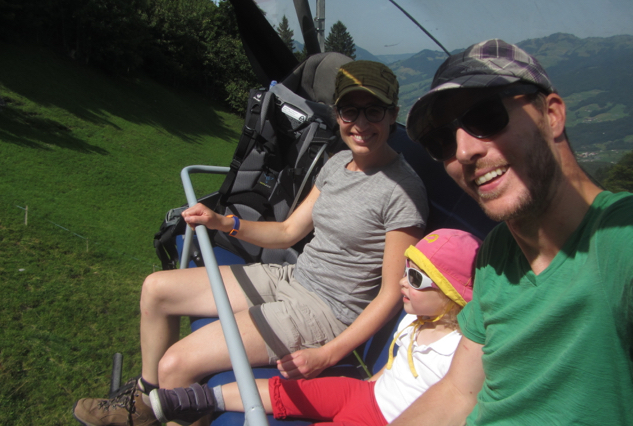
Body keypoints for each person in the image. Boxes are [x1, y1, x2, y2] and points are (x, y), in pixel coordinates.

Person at [73, 60, 429, 426]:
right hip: (292, 277)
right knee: (156, 289)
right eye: (349, 110)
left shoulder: (403, 191)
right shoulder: (338, 163)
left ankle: (168, 406)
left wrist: (328, 354)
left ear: (393, 114)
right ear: (337, 114)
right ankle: (145, 401)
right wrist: (224, 222)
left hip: (325, 312)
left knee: (176, 365)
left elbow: (390, 294)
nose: (361, 124)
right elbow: (288, 231)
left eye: (374, 111)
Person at [390, 39, 633, 426]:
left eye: (486, 116)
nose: (464, 151)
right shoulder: (496, 254)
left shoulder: (619, 239)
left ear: (552, 115)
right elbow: (458, 392)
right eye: (442, 140)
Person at [147, 229, 482, 426]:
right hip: (367, 392)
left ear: (452, 294)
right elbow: (394, 369)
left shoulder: (460, 349)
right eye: (406, 269)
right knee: (292, 391)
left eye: (416, 278)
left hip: (383, 418)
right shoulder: (413, 319)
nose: (401, 282)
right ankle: (205, 398)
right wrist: (368, 385)